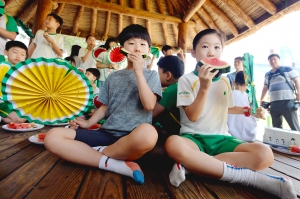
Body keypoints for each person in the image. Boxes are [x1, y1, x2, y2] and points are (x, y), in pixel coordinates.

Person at [164, 29, 296, 199]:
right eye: (205, 46)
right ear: (193, 53)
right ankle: (257, 180)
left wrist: (249, 111)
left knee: (265, 154)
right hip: (193, 139)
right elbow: (192, 116)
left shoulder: (225, 80)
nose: (212, 52)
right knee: (173, 144)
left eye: (217, 47)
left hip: (222, 139)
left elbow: (224, 108)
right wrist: (204, 87)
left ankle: (192, 166)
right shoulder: (186, 80)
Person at [44, 24, 162, 184]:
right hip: (107, 133)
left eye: (142, 45)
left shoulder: (151, 75)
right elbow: (105, 107)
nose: (137, 48)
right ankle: (111, 162)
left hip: (132, 138)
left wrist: (139, 72)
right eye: (132, 43)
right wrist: (87, 123)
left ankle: (99, 153)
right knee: (52, 137)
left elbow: (149, 105)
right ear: (122, 49)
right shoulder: (113, 77)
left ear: (148, 51)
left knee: (149, 134)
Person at [260, 53, 300, 131]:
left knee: (294, 126)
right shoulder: (267, 74)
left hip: (288, 101)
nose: (273, 61)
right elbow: (265, 88)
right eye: (270, 60)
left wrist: (299, 93)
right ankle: (279, 143)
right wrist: (261, 99)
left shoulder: (288, 69)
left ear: (279, 60)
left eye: (275, 59)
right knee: (276, 127)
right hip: (274, 103)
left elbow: (297, 81)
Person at [152, 56, 184, 136]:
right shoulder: (181, 85)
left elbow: (152, 114)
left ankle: (162, 132)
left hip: (178, 131)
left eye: (158, 74)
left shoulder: (172, 89)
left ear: (168, 75)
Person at [0, 40, 27, 123]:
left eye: (22, 54)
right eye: (15, 52)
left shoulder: (21, 70)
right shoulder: (4, 65)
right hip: (3, 101)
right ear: (6, 52)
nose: (18, 56)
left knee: (24, 118)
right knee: (20, 119)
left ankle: (2, 118)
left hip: (13, 102)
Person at [227, 71, 257, 142]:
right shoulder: (252, 98)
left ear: (234, 82)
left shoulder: (229, 95)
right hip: (250, 138)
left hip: (230, 138)